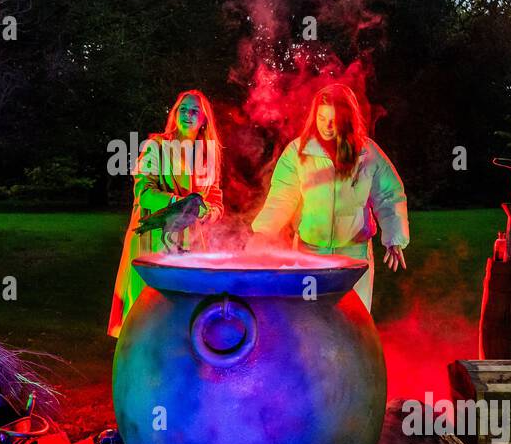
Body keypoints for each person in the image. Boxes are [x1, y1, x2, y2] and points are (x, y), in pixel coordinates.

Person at [250, 83, 408, 310]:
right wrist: (263, 232)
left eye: (334, 120)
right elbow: (282, 197)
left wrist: (394, 237)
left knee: (355, 320)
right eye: (322, 118)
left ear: (348, 119)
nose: (327, 126)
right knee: (309, 319)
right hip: (310, 255)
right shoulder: (298, 153)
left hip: (354, 255)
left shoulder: (366, 153)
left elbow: (389, 195)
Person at [108, 90, 225, 337]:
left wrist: (210, 213)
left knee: (186, 309)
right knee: (147, 310)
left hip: (191, 243)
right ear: (175, 114)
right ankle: (138, 365)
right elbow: (143, 191)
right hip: (153, 238)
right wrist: (177, 202)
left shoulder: (208, 154)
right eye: (183, 109)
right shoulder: (156, 147)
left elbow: (215, 197)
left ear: (204, 119)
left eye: (194, 111)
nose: (188, 115)